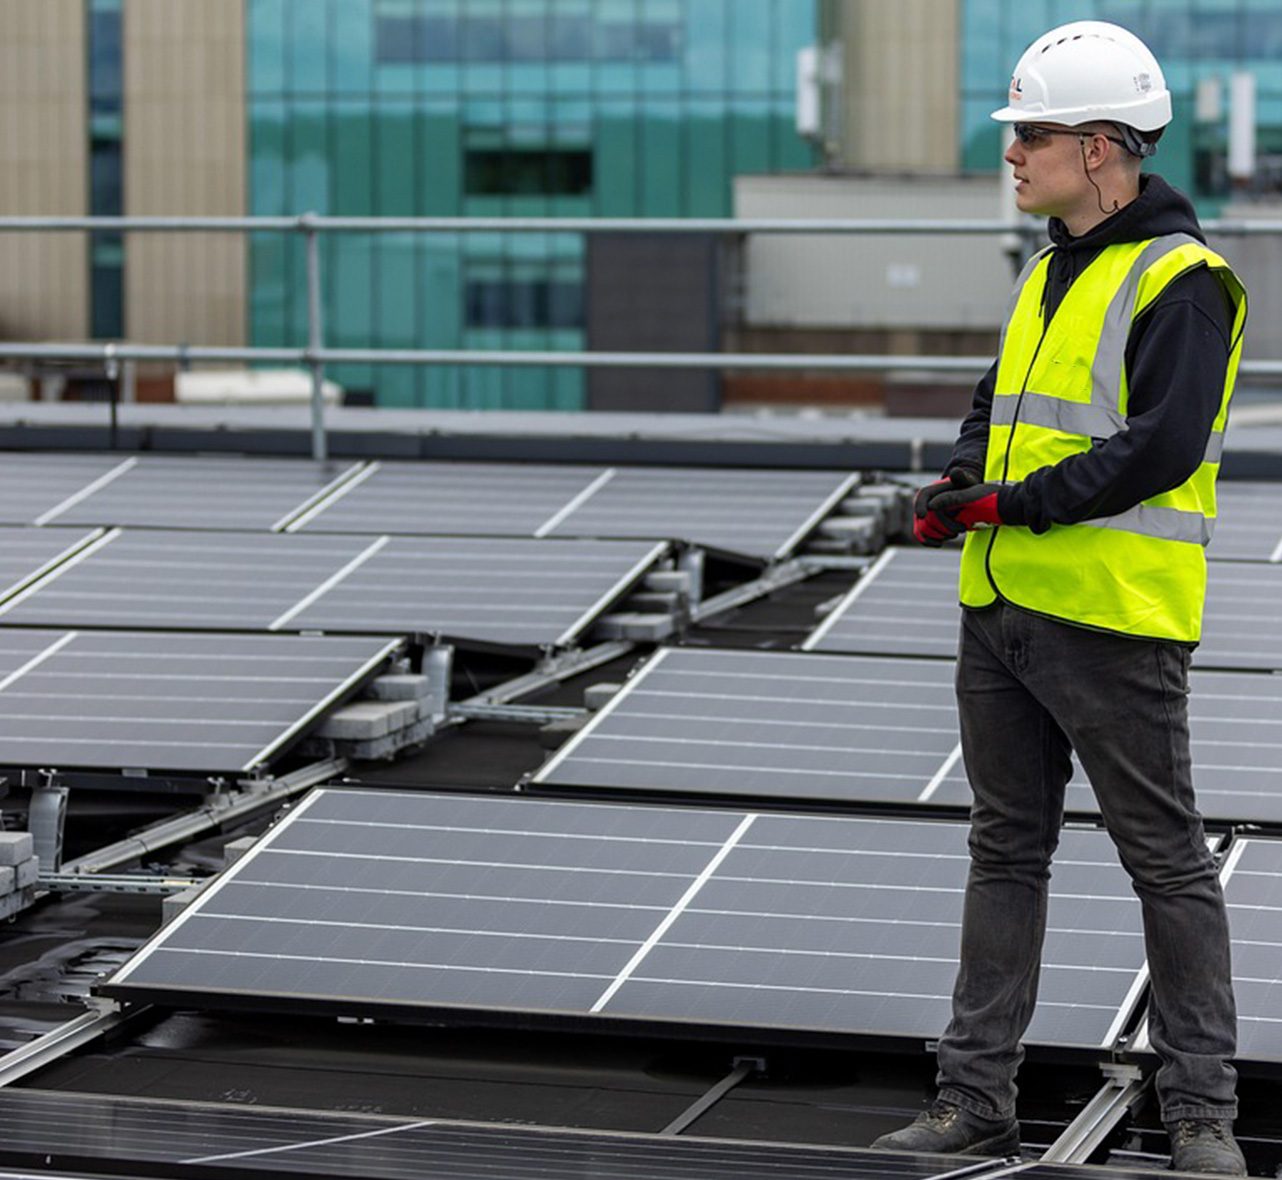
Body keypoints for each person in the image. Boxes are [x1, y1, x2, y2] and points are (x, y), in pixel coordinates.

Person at [871, 20, 1248, 1177]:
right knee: (1004, 852)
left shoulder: (1184, 283)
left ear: (1097, 148)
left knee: (1165, 861)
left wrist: (1008, 504)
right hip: (1001, 613)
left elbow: (1158, 450)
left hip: (1112, 620)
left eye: (1029, 135)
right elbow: (996, 406)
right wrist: (957, 484)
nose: (1011, 153)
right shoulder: (1045, 268)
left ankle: (1201, 1116)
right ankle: (972, 1100)